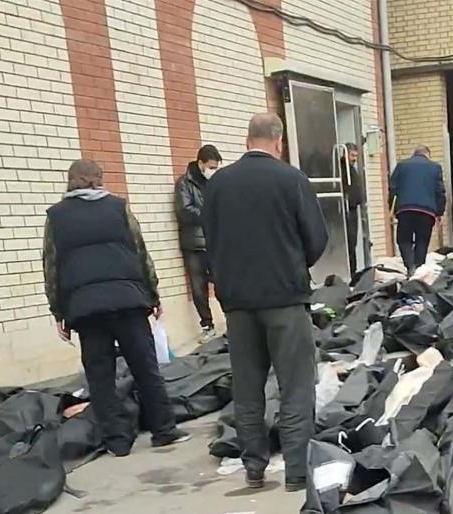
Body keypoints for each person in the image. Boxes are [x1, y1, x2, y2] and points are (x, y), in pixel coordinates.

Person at [203, 113, 327, 492]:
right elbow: (317, 238)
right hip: (285, 298)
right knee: (295, 385)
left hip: (238, 303)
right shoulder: (292, 179)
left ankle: (254, 467)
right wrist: (291, 263)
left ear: (246, 139)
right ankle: (296, 472)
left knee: (247, 386)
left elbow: (210, 237)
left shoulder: (218, 184)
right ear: (278, 141)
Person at [43, 159, 190, 457]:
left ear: (70, 181)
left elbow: (51, 265)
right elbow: (140, 251)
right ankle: (164, 430)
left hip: (86, 309)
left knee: (100, 376)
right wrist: (153, 294)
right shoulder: (118, 207)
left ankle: (117, 441)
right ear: (99, 179)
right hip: (128, 301)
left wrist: (58, 310)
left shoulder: (56, 216)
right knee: (145, 366)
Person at [175, 144, 222, 342]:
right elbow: (185, 210)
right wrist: (209, 215)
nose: (213, 171)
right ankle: (207, 325)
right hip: (194, 244)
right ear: (201, 163)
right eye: (211, 166)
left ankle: (233, 319)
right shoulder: (185, 183)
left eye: (216, 167)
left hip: (215, 241)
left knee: (223, 282)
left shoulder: (217, 182)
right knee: (198, 288)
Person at [389, 145, 446, 274]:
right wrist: (440, 212)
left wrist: (392, 208)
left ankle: (410, 266)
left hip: (405, 209)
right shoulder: (435, 167)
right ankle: (419, 268)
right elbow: (440, 191)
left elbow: (393, 188)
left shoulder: (402, 165)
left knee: (403, 239)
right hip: (427, 211)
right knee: (422, 240)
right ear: (427, 155)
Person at [341, 142, 364, 276]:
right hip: (346, 209)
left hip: (352, 208)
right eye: (352, 155)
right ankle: (351, 272)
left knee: (352, 242)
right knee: (349, 241)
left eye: (356, 156)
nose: (354, 158)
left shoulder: (351, 169)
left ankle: (353, 271)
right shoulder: (343, 169)